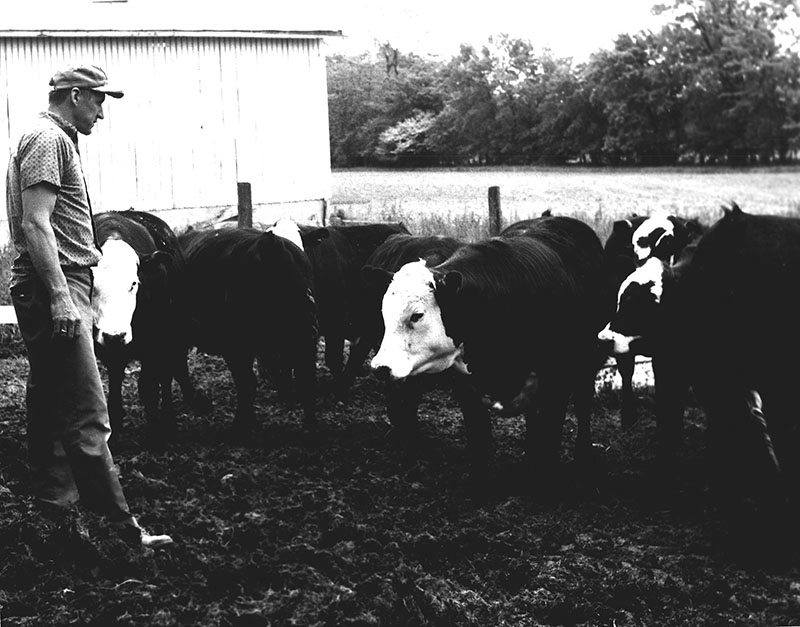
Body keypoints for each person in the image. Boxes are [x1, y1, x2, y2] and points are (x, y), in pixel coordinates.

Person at [5, 64, 173, 549]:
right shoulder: (46, 140)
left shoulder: (52, 137)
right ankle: (121, 532)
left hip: (58, 281)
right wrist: (60, 294)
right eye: (98, 101)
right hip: (57, 285)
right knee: (88, 410)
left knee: (51, 401)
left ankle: (55, 514)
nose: (102, 112)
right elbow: (36, 225)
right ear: (74, 95)